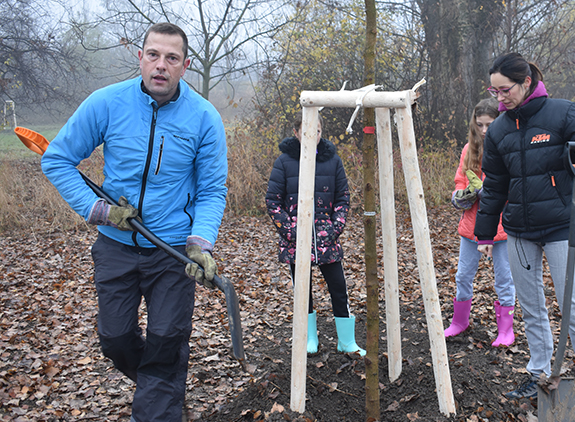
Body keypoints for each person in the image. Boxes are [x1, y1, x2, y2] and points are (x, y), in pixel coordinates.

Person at [41, 23, 227, 422]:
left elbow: (213, 190)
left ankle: (159, 403)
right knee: (116, 340)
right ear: (140, 57)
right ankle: (164, 393)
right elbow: (56, 159)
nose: (161, 65)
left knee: (165, 343)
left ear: (185, 65)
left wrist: (200, 242)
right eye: (154, 55)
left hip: (172, 253)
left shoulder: (204, 118)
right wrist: (99, 211)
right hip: (115, 248)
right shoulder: (106, 103)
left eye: (172, 58)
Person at [474, 52, 575, 422]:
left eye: (505, 90)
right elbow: (494, 186)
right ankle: (538, 373)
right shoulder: (500, 130)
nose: (500, 97)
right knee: (532, 308)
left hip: (560, 228)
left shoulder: (563, 113)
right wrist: (485, 233)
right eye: (494, 90)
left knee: (574, 309)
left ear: (526, 83)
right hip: (519, 230)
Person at [265, 115, 365, 357]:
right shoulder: (284, 162)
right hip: (296, 242)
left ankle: (346, 341)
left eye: (318, 130)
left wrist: (333, 229)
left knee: (339, 287)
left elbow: (343, 198)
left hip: (326, 241)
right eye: (308, 130)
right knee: (303, 292)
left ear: (322, 131)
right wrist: (291, 232)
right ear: (296, 132)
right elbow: (273, 201)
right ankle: (310, 338)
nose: (314, 135)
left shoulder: (333, 160)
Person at [444, 98, 516, 347]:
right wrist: (460, 196)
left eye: (490, 124)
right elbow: (460, 181)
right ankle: (459, 322)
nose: (485, 131)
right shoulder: (468, 149)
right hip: (471, 225)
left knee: (504, 279)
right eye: (480, 125)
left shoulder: (509, 147)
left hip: (502, 227)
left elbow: (514, 187)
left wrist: (493, 192)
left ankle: (506, 330)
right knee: (463, 275)